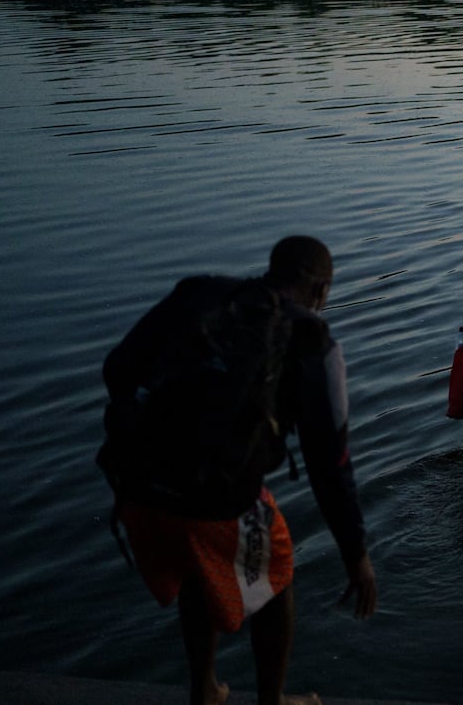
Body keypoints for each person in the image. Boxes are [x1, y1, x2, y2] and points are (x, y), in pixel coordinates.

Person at [102, 236, 377, 705]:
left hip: (137, 486)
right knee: (276, 576)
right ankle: (271, 700)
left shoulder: (197, 294)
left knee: (197, 565)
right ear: (320, 289)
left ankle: (205, 686)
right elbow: (330, 465)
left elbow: (116, 371)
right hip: (215, 498)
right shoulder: (313, 340)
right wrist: (356, 556)